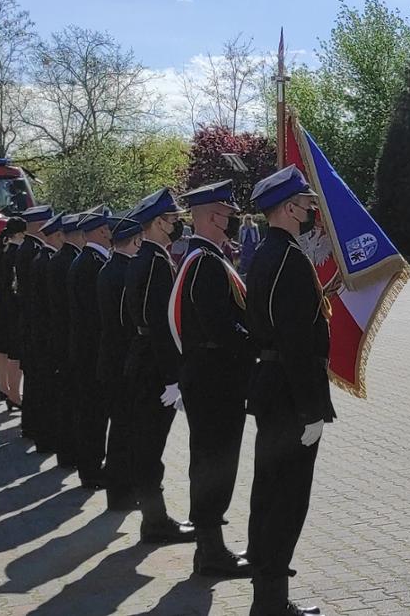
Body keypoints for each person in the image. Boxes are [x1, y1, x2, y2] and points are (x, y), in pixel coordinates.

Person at [245, 166, 341, 616]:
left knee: (268, 495)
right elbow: (298, 341)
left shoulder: (265, 254)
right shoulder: (291, 259)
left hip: (271, 386)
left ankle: (267, 598)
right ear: (286, 208)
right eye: (304, 204)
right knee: (286, 501)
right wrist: (313, 409)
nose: (310, 210)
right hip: (290, 392)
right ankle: (272, 605)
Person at [172, 181, 257, 578]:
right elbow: (219, 328)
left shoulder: (203, 257)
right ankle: (210, 552)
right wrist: (256, 343)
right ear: (209, 216)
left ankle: (209, 546)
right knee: (215, 464)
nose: (232, 220)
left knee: (210, 461)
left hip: (209, 376)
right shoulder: (205, 263)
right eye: (226, 214)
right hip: (215, 378)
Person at [120, 189, 198, 546]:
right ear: (157, 223)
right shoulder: (154, 262)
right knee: (150, 446)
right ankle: (154, 521)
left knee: (147, 445)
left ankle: (154, 517)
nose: (176, 223)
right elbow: (160, 322)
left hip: (142, 358)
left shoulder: (144, 258)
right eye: (171, 219)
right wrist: (171, 376)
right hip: (153, 365)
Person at [96, 216, 142, 513]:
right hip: (124, 360)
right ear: (136, 241)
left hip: (109, 357)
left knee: (119, 429)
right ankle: (123, 493)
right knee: (127, 431)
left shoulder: (107, 268)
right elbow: (130, 321)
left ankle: (119, 490)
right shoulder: (127, 272)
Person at [67, 207, 113, 491]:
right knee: (93, 414)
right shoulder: (93, 263)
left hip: (85, 348)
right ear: (101, 231)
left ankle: (91, 466)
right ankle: (92, 470)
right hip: (92, 350)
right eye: (107, 229)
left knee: (91, 413)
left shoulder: (87, 260)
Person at [14, 206, 58, 452]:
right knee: (41, 384)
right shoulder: (35, 253)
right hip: (37, 327)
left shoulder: (27, 250)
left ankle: (31, 426)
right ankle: (40, 431)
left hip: (30, 325)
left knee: (34, 383)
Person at [48, 213, 84, 471]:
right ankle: (71, 453)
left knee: (64, 398)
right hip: (69, 338)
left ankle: (66, 453)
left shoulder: (58, 259)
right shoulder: (70, 261)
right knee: (72, 401)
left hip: (59, 336)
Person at [0, 215, 27, 409]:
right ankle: (14, 394)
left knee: (2, 348)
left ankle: (4, 387)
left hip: (1, 303)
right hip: (13, 306)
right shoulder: (17, 254)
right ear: (20, 234)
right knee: (15, 352)